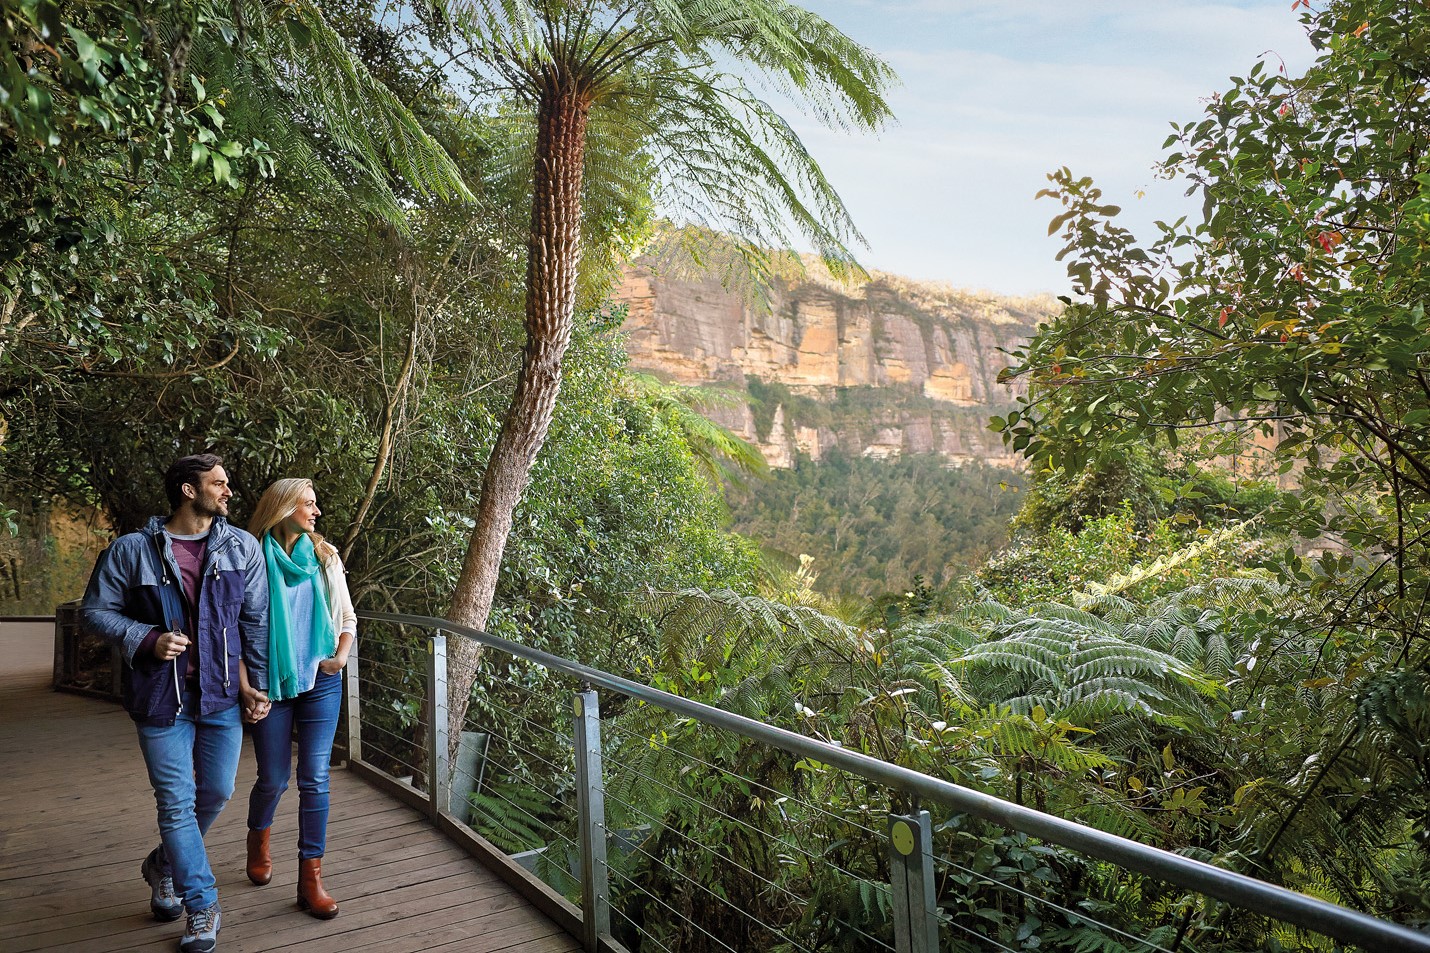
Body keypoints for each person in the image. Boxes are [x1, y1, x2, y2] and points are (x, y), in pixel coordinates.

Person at [82, 453, 270, 953]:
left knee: (219, 789)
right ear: (189, 490)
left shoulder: (240, 548)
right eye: (219, 483)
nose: (229, 491)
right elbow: (95, 612)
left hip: (221, 695)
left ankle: (163, 864)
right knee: (176, 801)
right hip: (161, 697)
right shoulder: (131, 550)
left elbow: (253, 625)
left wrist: (256, 684)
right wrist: (147, 639)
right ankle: (201, 904)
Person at [243, 478, 357, 920]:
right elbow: (233, 626)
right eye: (309, 504)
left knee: (315, 778)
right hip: (271, 683)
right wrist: (246, 684)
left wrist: (340, 658)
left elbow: (346, 615)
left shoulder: (325, 556)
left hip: (321, 680)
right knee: (272, 778)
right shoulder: (251, 556)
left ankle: (310, 880)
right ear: (284, 508)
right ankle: (258, 837)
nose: (317, 512)